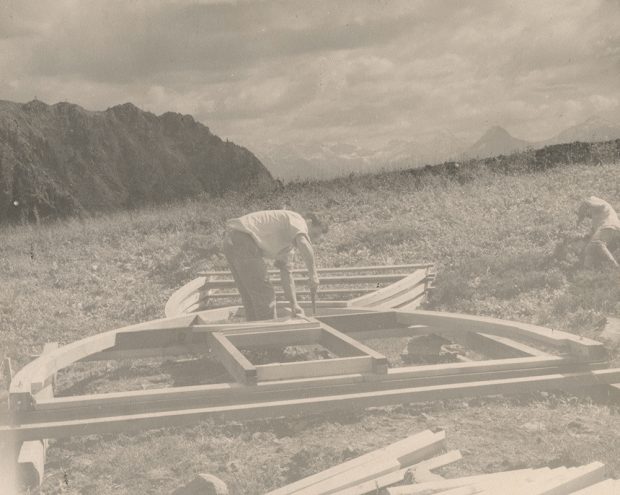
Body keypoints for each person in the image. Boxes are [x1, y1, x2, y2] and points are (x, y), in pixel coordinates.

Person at [222, 210, 328, 321]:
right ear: (310, 223)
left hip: (232, 241)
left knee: (252, 297)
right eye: (313, 234)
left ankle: (255, 334)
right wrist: (313, 275)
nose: (309, 238)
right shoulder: (298, 220)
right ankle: (269, 335)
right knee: (265, 295)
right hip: (242, 239)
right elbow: (303, 242)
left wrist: (294, 304)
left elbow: (286, 274)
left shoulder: (288, 246)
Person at [576, 196, 620, 268]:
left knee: (596, 243)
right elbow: (592, 233)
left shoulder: (598, 203)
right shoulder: (598, 217)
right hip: (614, 230)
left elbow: (586, 202)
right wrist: (581, 236)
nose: (588, 216)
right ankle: (588, 271)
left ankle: (615, 267)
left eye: (587, 213)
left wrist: (580, 217)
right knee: (589, 249)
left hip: (609, 226)